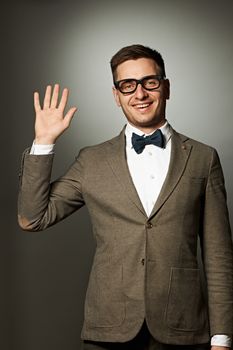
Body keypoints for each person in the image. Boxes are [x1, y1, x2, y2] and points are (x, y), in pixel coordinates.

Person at [18, 45, 233, 350]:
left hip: (183, 329)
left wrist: (222, 338)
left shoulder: (203, 158)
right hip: (108, 330)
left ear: (166, 87)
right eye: (128, 85)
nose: (140, 94)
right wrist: (43, 142)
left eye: (150, 82)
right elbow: (33, 217)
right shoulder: (91, 160)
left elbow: (218, 255)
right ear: (116, 95)